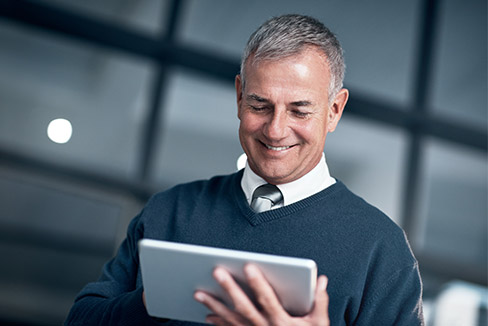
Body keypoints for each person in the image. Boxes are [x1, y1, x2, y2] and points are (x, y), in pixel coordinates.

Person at [65, 14, 424, 326]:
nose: (276, 130)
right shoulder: (169, 212)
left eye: (300, 111)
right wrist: (152, 303)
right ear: (239, 96)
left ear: (334, 110)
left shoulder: (381, 249)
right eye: (260, 105)